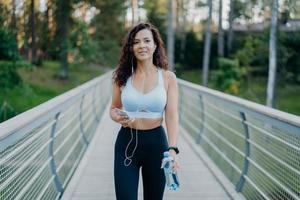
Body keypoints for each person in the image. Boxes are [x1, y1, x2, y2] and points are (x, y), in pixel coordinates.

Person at [110, 22, 180, 200]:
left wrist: (173, 150)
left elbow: (171, 115)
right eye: (136, 42)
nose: (142, 45)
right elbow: (113, 108)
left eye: (147, 41)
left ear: (155, 45)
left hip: (157, 145)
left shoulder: (167, 77)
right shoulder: (121, 76)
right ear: (131, 48)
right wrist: (118, 117)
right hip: (126, 144)